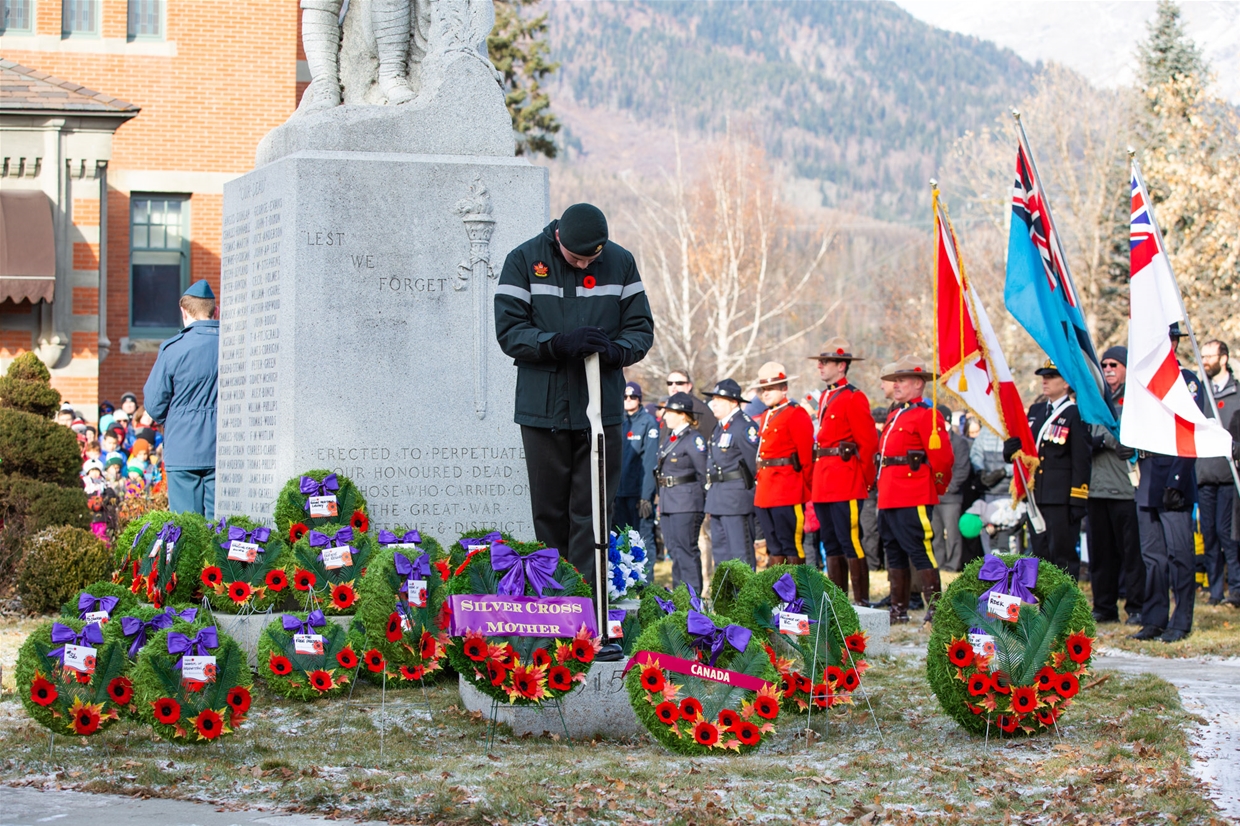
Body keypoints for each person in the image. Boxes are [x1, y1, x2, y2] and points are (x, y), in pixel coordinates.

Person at [494, 202, 655, 598]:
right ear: (559, 238)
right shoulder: (524, 259)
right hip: (542, 408)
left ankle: (587, 604)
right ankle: (552, 602)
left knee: (594, 512)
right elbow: (510, 330)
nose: (585, 266)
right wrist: (557, 343)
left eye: (593, 258)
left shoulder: (620, 262)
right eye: (577, 258)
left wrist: (618, 352)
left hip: (602, 409)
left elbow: (640, 327)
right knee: (549, 513)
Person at [1132, 325, 1205, 642]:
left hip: (1174, 474)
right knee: (1153, 558)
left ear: (1174, 343)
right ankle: (1154, 618)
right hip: (1147, 474)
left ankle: (1181, 620)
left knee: (1180, 555)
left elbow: (1190, 430)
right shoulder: (1141, 381)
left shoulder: (1185, 381)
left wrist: (1178, 478)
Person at [876, 355, 953, 624]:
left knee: (920, 550)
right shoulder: (895, 413)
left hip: (913, 493)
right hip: (889, 494)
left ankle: (935, 609)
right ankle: (899, 609)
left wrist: (934, 488)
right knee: (893, 551)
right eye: (894, 380)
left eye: (902, 380)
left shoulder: (927, 415)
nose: (895, 385)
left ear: (918, 383)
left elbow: (943, 458)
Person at [805, 337, 877, 604]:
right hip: (824, 479)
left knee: (851, 542)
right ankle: (837, 602)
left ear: (842, 366)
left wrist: (866, 480)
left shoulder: (853, 397)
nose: (820, 366)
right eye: (820, 362)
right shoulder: (825, 396)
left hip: (846, 479)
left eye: (826, 362)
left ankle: (861, 601)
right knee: (831, 543)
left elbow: (868, 444)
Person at [1005, 360, 1091, 579]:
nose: (1045, 380)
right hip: (1036, 494)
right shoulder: (1036, 410)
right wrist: (1010, 451)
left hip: (1061, 498)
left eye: (1051, 377)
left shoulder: (1074, 414)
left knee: (1061, 554)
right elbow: (1026, 448)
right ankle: (1045, 606)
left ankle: (1063, 607)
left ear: (1065, 383)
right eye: (1043, 376)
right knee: (1040, 553)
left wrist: (1078, 500)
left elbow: (1081, 460)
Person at [142, 280, 220, 517]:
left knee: (187, 532)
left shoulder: (173, 348)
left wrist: (174, 418)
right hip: (224, 447)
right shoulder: (233, 344)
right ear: (215, 311)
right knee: (223, 531)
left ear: (184, 312)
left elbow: (154, 405)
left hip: (183, 446)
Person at [1086, 346, 1144, 625]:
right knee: (1101, 555)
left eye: (1114, 364)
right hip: (1096, 488)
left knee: (1132, 554)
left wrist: (1105, 440)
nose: (1108, 369)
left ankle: (1136, 606)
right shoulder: (1093, 402)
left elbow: (1132, 439)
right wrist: (1105, 441)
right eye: (1104, 364)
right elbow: (1089, 437)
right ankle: (1104, 606)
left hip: (1126, 490)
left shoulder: (1135, 402)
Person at [752, 362, 814, 567]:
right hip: (766, 490)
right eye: (763, 389)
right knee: (774, 546)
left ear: (784, 388)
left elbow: (806, 457)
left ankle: (800, 595)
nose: (765, 393)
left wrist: (805, 488)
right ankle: (779, 595)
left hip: (788, 489)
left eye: (771, 388)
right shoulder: (766, 416)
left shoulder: (795, 413)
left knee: (792, 545)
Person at [1197, 340, 1240, 605]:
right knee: (1209, 533)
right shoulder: (1201, 394)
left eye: (1209, 356)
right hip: (1204, 474)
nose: (1204, 361)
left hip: (1229, 476)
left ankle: (1235, 587)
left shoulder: (1237, 393)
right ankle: (1215, 591)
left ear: (1223, 359)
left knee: (1229, 533)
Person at [702, 378, 760, 569]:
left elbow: (753, 465)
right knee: (721, 555)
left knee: (740, 554)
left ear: (734, 402)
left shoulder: (744, 426)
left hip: (736, 499)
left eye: (719, 399)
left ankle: (744, 598)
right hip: (718, 498)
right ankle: (725, 598)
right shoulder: (720, 427)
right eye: (713, 399)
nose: (714, 403)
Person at [656, 392, 708, 590]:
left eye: (669, 411)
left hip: (687, 502)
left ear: (683, 414)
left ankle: (693, 599)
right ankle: (680, 596)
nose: (665, 415)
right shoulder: (670, 439)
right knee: (675, 553)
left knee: (686, 551)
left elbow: (703, 473)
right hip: (669, 501)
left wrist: (704, 502)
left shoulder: (693, 440)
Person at [614, 381, 659, 554]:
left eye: (633, 397)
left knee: (643, 542)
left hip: (638, 494)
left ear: (639, 399)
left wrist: (646, 496)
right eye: (625, 397)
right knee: (622, 543)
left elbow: (650, 463)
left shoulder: (648, 423)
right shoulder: (619, 421)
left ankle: (646, 582)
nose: (628, 400)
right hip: (620, 493)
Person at [932, 405, 973, 573]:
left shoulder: (958, 442)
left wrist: (950, 486)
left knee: (952, 533)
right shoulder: (933, 439)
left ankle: (952, 564)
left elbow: (963, 468)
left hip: (951, 496)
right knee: (935, 533)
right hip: (934, 494)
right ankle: (938, 563)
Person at [970, 425, 1017, 553]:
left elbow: (1021, 459)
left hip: (1008, 491)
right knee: (988, 530)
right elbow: (976, 453)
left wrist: (1003, 472)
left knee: (1008, 530)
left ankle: (1011, 568)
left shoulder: (1014, 429)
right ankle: (991, 565)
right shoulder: (986, 431)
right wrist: (980, 471)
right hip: (988, 491)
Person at [663, 370, 717, 440]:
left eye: (679, 383)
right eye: (670, 383)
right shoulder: (669, 406)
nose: (674, 386)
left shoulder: (696, 408)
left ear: (689, 386)